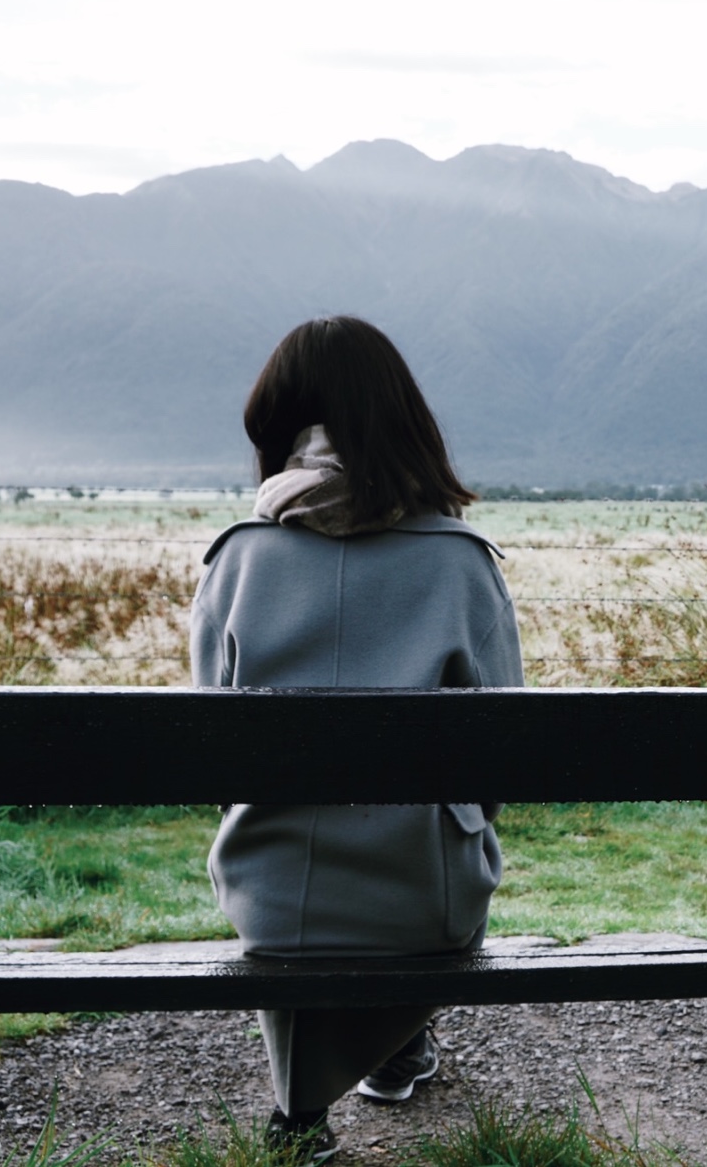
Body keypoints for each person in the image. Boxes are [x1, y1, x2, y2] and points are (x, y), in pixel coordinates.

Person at [190, 315, 522, 1163]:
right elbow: (500, 763)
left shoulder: (236, 561)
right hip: (427, 903)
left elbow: (211, 752)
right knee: (443, 850)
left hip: (272, 903)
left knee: (285, 867)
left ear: (281, 431)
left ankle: (300, 1108)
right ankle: (398, 1040)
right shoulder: (463, 565)